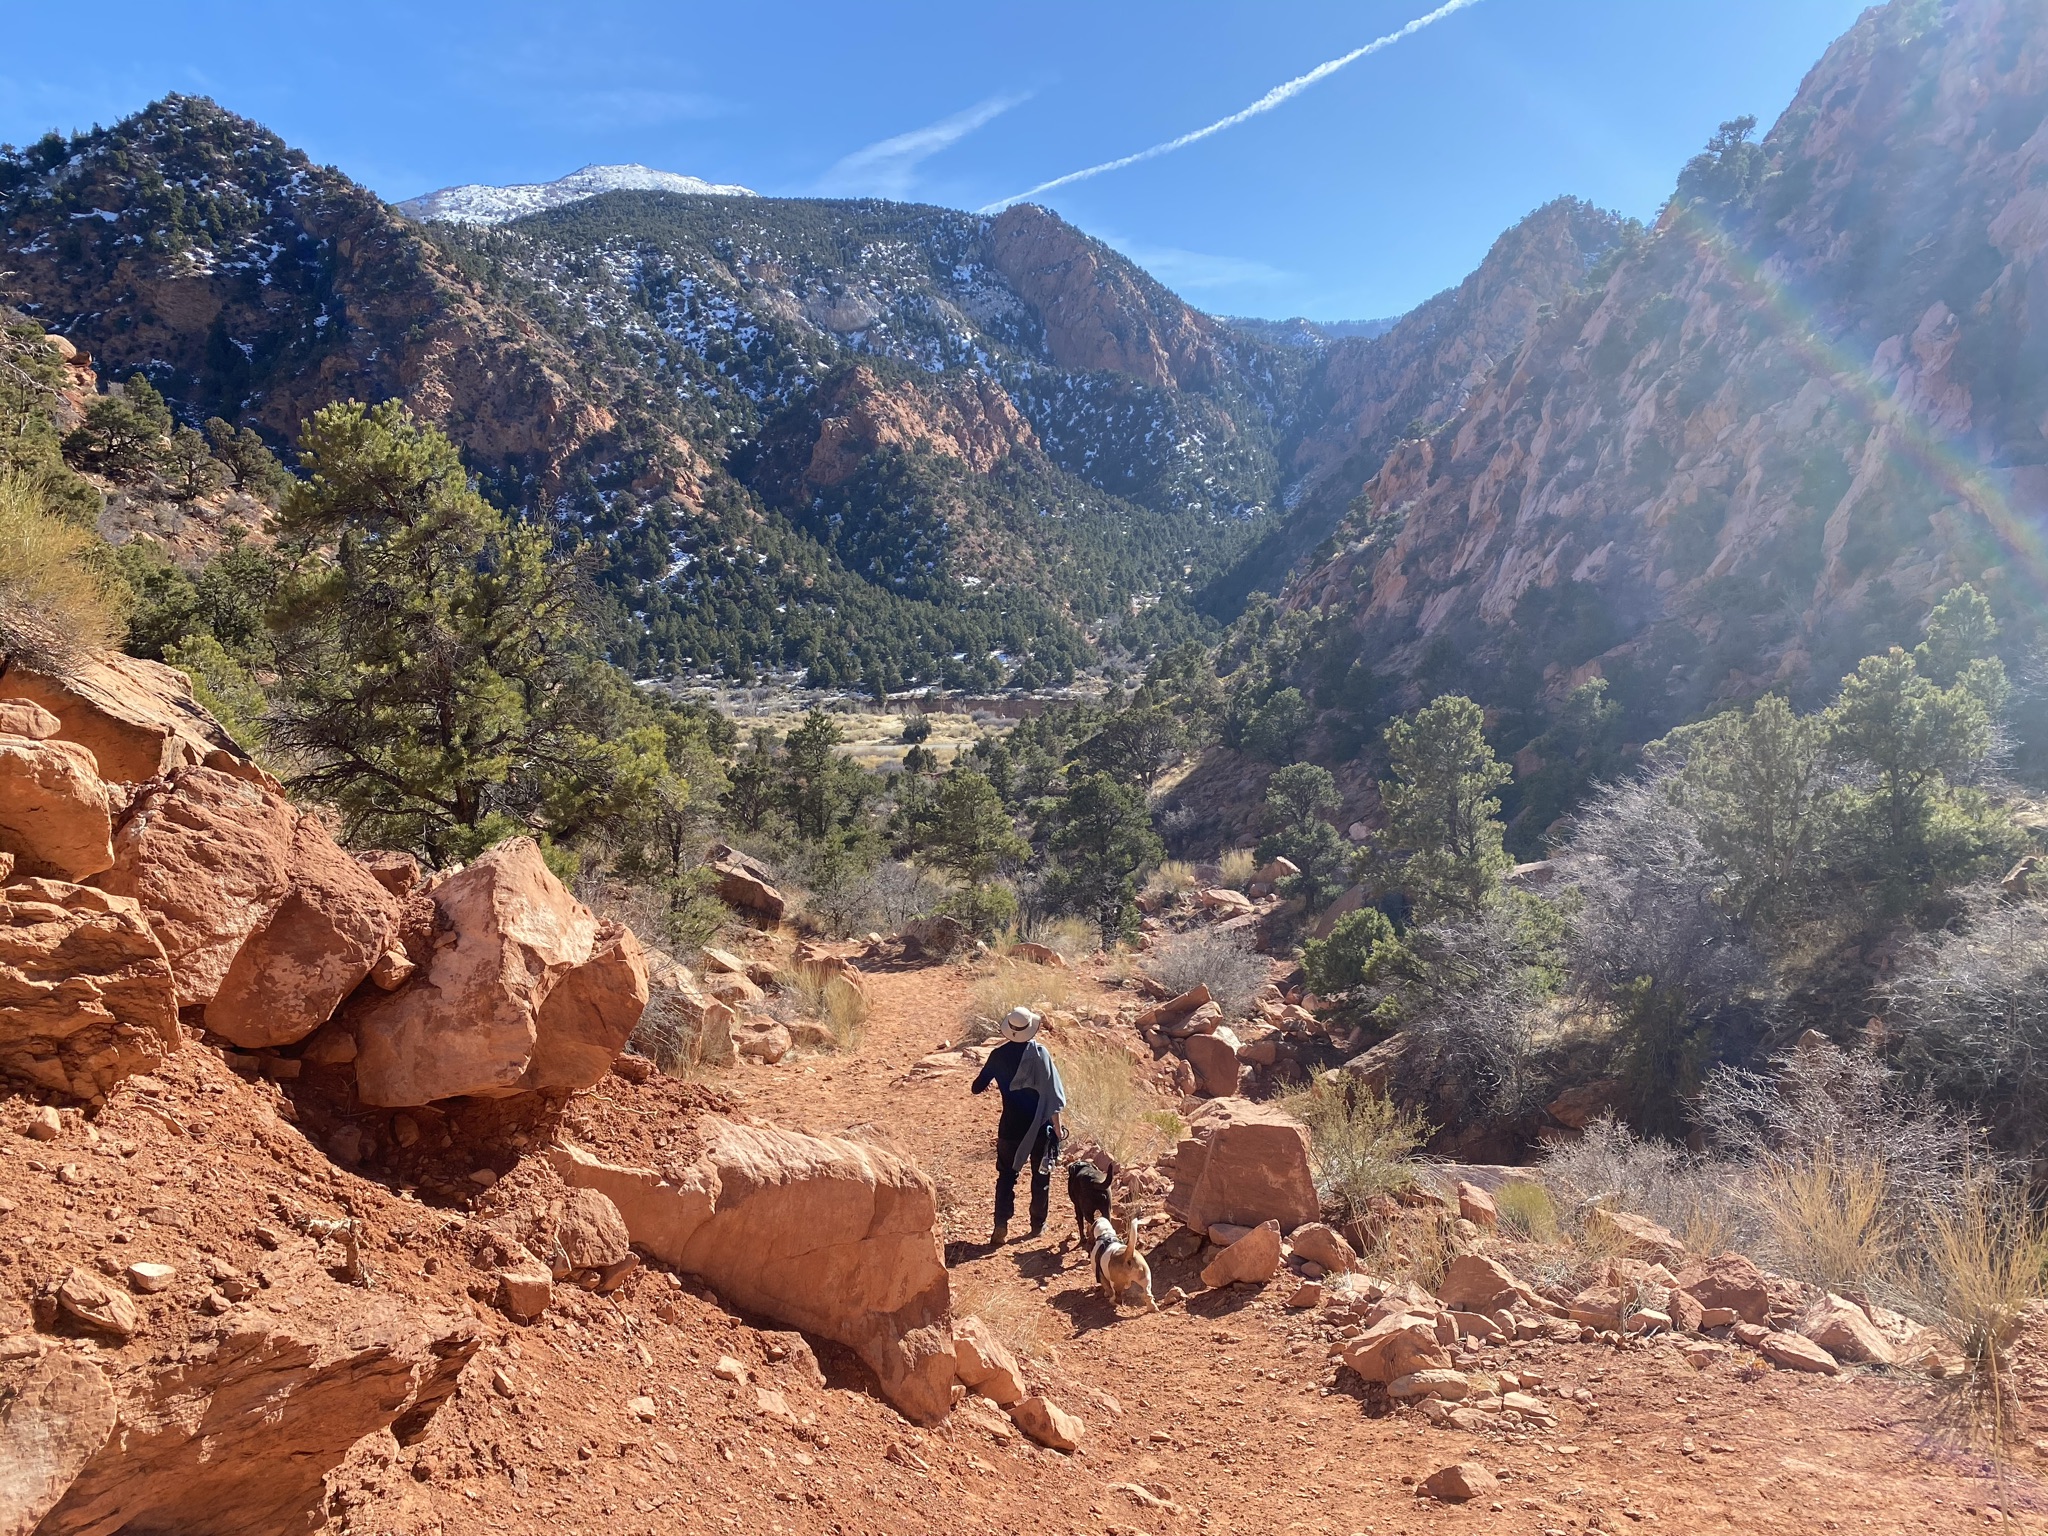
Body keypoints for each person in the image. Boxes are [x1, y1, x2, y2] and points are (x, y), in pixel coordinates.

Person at [970, 1006, 1066, 1245]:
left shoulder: (997, 1056)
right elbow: (1052, 1097)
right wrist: (1058, 1128)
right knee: (1041, 1174)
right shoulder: (1041, 1054)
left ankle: (1000, 1224)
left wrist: (998, 1077)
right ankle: (1037, 1224)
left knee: (1006, 1176)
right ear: (1030, 1031)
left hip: (1010, 1127)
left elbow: (976, 1087)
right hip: (1039, 1127)